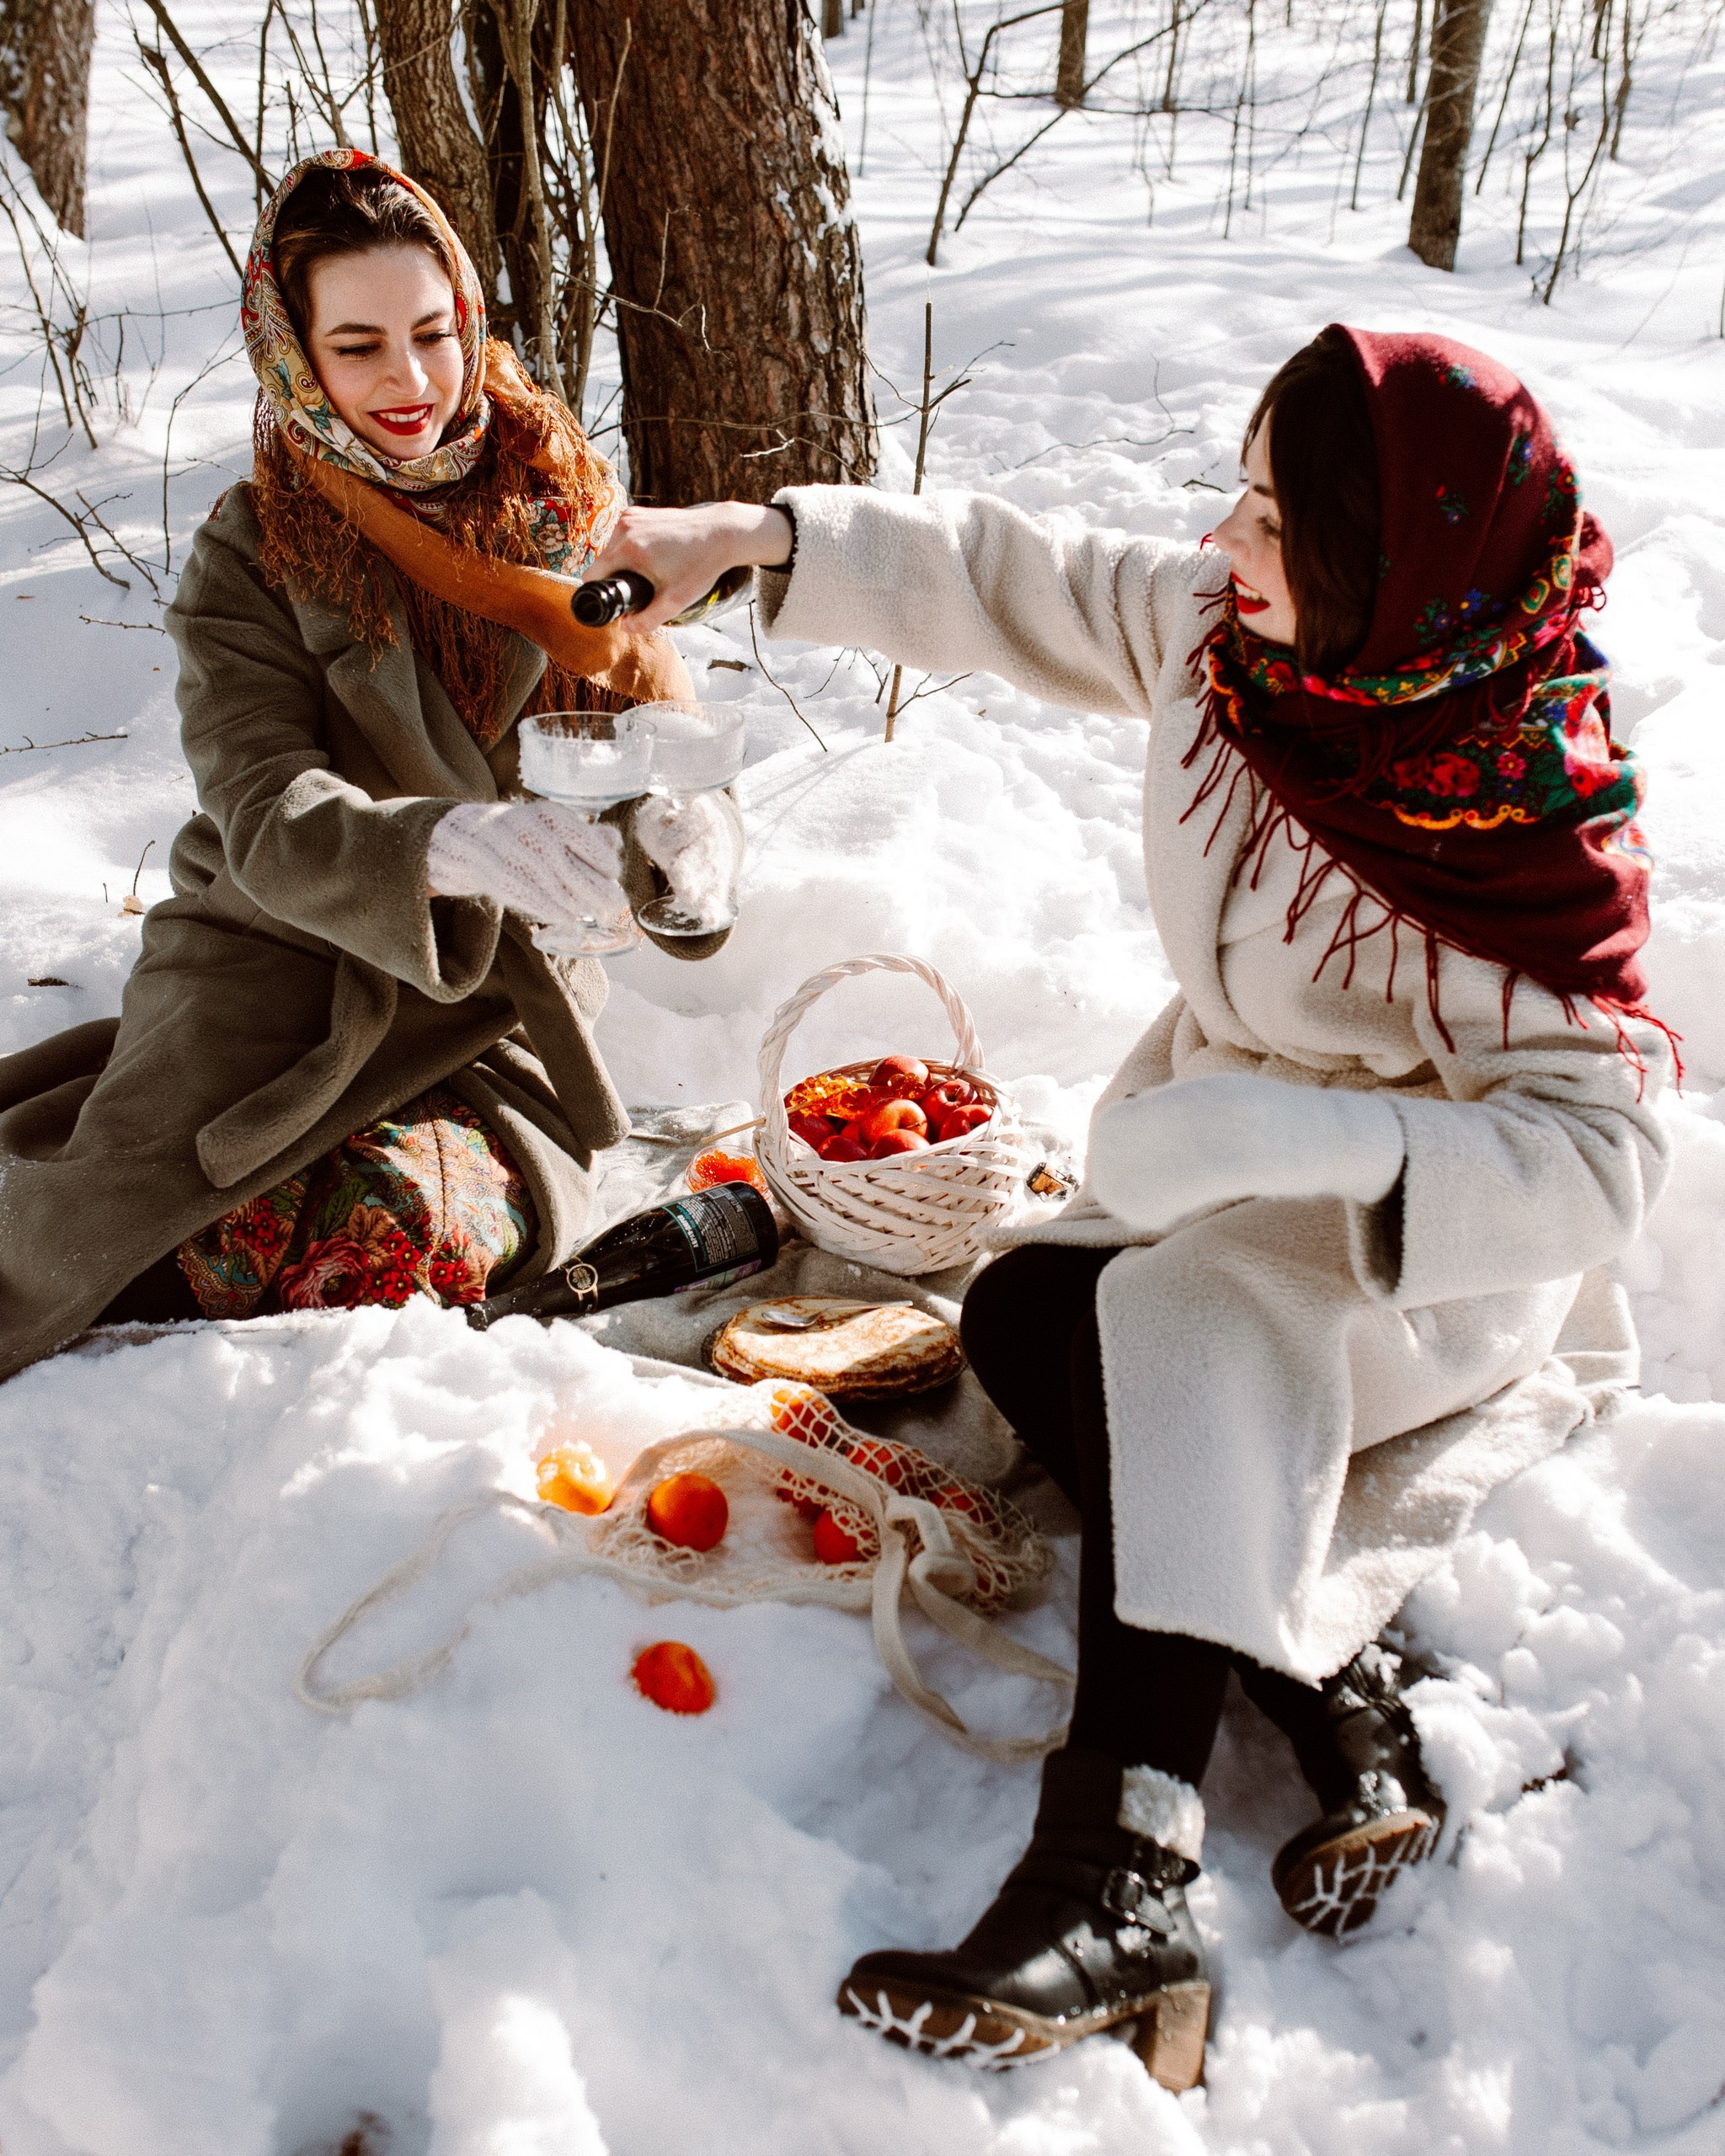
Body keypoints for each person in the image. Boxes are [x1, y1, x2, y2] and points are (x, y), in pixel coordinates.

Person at [578, 326, 1674, 2089]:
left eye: (1269, 519)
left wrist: (1296, 1140)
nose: (1221, 545)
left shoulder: (1517, 814)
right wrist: (755, 539)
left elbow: (1600, 1157)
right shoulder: (1234, 645)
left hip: (1419, 1260)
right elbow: (1018, 575)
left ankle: (1122, 1867)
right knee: (1025, 1309)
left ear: (1391, 572)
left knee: (1173, 1324)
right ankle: (1323, 1680)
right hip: (1205, 1181)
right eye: (1231, 496)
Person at [0, 148, 724, 1375]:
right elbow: (261, 806)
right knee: (116, 1248)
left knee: (400, 1241)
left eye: (434, 334)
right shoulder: (253, 552)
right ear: (294, 354)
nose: (410, 382)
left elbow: (639, 747)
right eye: (358, 346)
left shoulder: (568, 512)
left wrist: (685, 839)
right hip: (269, 975)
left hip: (484, 1016)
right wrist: (439, 847)